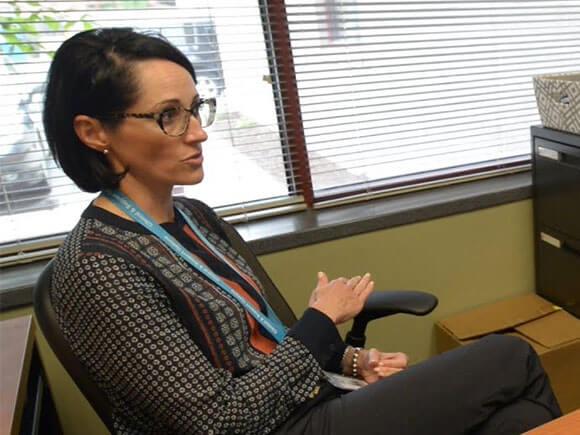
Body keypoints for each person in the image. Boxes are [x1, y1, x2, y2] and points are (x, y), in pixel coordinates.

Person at [43, 28, 561, 435]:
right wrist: (319, 322)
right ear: (93, 133)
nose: (198, 131)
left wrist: (354, 360)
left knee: (509, 422)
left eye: (195, 109)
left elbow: (261, 347)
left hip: (302, 403)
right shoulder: (99, 268)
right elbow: (221, 423)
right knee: (508, 357)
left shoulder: (194, 218)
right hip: (273, 428)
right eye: (169, 116)